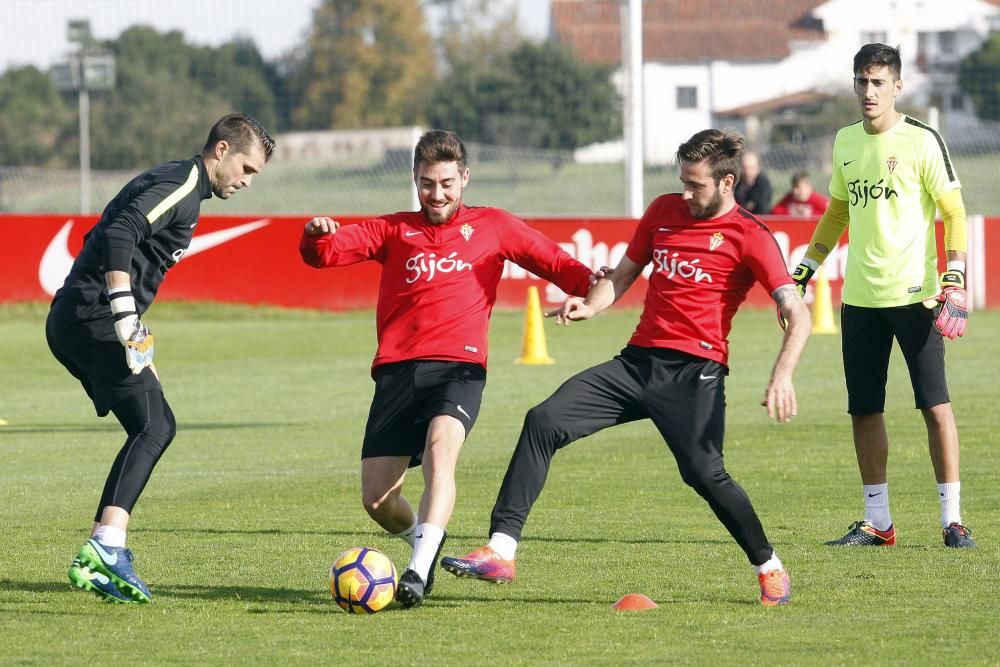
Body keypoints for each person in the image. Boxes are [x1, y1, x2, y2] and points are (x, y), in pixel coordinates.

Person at [441, 128, 811, 607]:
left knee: (704, 475)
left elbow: (797, 313)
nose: (685, 192)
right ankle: (501, 550)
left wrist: (782, 375)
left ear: (726, 184)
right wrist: (590, 307)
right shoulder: (662, 212)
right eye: (682, 180)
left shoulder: (751, 236)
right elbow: (620, 276)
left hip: (694, 374)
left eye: (695, 184)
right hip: (636, 364)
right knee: (543, 421)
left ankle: (770, 567)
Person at [298, 129, 595, 608]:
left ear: (465, 178)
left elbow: (556, 262)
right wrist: (315, 237)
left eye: (446, 183)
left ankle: (417, 572)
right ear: (415, 181)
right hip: (396, 373)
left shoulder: (494, 226)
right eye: (426, 183)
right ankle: (425, 539)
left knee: (441, 450)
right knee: (377, 500)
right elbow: (326, 254)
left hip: (458, 368)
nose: (437, 194)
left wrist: (592, 290)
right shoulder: (394, 230)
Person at [48, 112, 275, 603]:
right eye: (247, 168)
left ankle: (103, 549)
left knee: (150, 423)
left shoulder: (184, 184)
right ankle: (107, 547)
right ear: (221, 150)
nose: (247, 181)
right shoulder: (182, 183)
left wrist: (136, 337)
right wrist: (125, 317)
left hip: (81, 319)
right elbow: (119, 234)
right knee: (155, 425)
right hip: (92, 318)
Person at [789, 44, 975, 549]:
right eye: (861, 82)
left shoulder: (922, 140)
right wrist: (804, 270)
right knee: (865, 409)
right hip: (861, 301)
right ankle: (878, 522)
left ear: (897, 86)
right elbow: (836, 212)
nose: (868, 92)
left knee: (935, 407)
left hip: (917, 298)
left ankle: (952, 520)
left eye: (878, 82)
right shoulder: (846, 142)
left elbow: (954, 212)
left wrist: (955, 280)